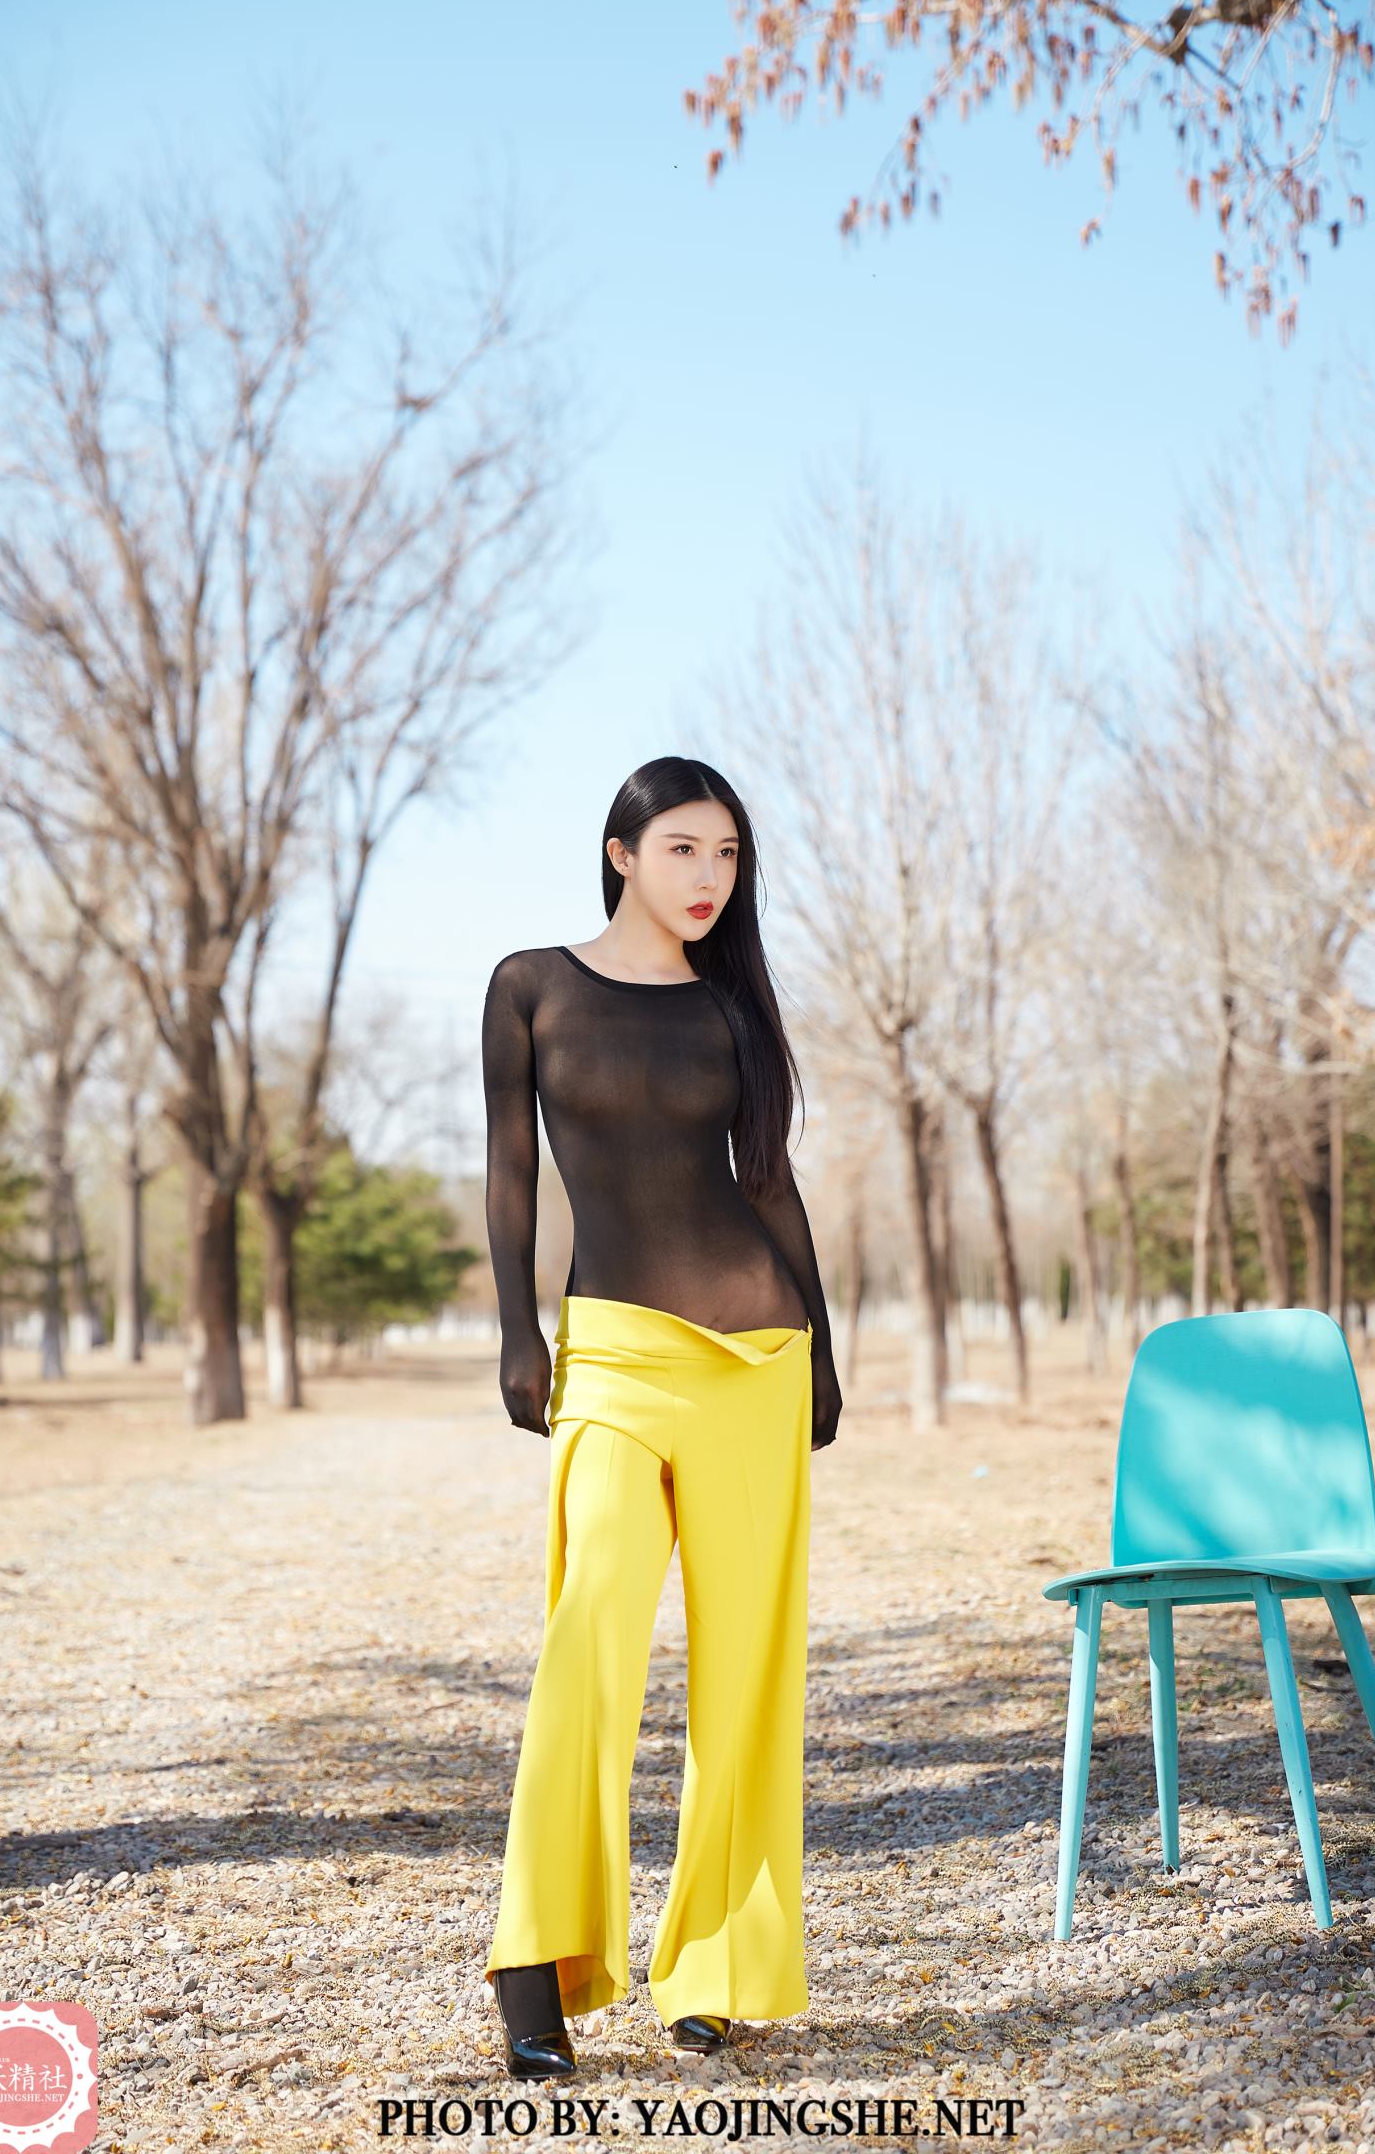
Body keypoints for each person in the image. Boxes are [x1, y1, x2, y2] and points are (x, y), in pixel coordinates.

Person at [479, 755, 842, 2081]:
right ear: (621, 852)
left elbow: (770, 1180)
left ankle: (714, 1970)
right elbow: (510, 1171)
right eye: (684, 848)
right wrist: (518, 1330)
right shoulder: (531, 986)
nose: (709, 877)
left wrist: (824, 1350)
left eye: (728, 854)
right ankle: (536, 1964)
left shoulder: (733, 1008)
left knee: (746, 1678)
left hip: (756, 1359)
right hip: (615, 1360)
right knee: (591, 1637)